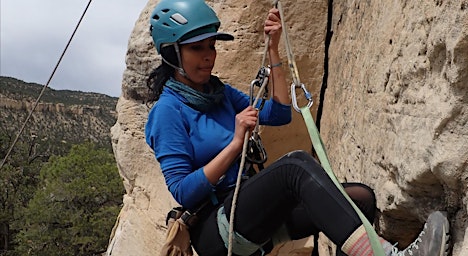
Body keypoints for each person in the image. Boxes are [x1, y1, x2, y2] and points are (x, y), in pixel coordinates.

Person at [144, 0, 451, 255]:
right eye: (198, 48)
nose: (209, 55)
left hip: (251, 217)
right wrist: (235, 144)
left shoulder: (219, 93)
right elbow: (183, 190)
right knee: (294, 167)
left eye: (211, 46)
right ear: (172, 52)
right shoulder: (167, 112)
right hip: (216, 228)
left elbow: (278, 114)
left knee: (360, 199)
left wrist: (274, 49)